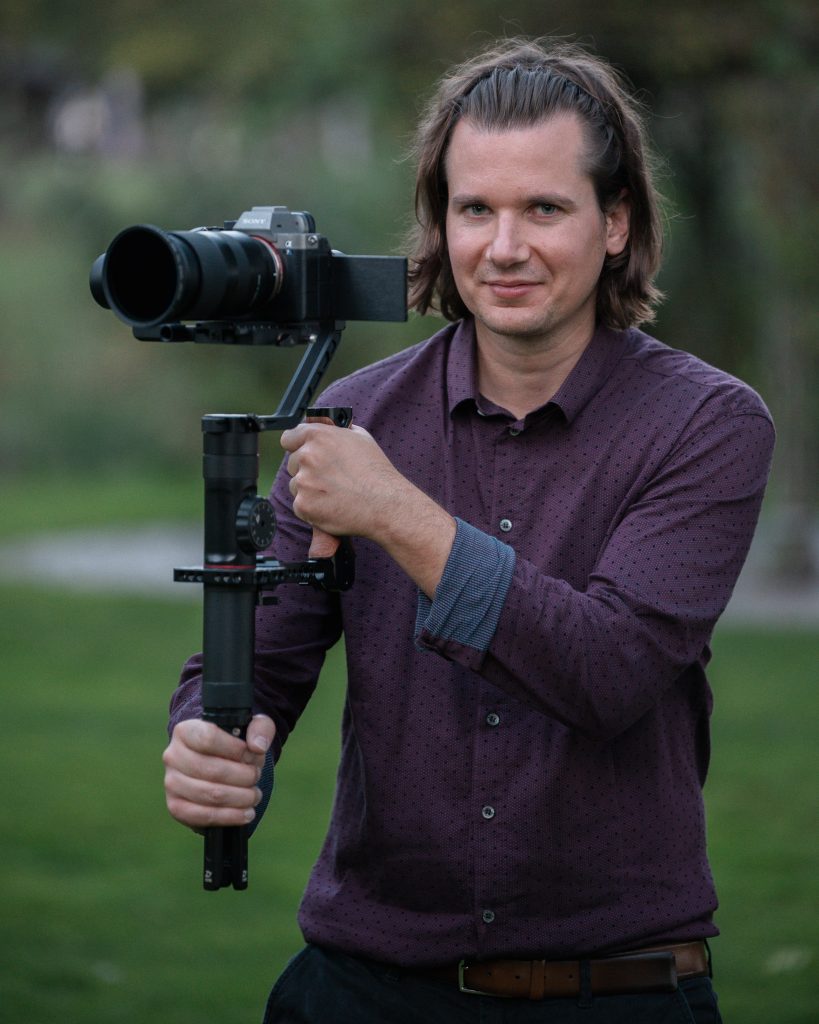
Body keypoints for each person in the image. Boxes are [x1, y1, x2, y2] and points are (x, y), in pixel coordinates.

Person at [162, 37, 775, 1023]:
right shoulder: (353, 418)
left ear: (616, 223)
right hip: (362, 986)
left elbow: (609, 668)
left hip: (611, 990)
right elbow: (262, 661)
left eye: (544, 208)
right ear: (440, 222)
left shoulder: (706, 425)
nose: (503, 246)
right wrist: (213, 733)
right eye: (474, 208)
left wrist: (397, 514)